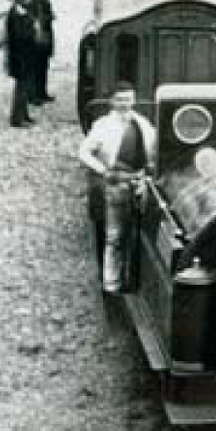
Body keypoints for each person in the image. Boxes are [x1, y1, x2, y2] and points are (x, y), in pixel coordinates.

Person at [77, 82, 158, 294]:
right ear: (112, 101)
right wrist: (102, 170)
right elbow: (84, 152)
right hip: (115, 185)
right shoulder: (103, 125)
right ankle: (111, 284)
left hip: (139, 183)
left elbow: (153, 148)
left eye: (129, 99)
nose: (125, 104)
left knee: (140, 235)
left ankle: (134, 282)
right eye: (120, 99)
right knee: (114, 236)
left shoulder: (142, 123)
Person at [5, 0, 41, 127]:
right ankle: (17, 118)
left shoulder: (22, 13)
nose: (29, 1)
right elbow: (19, 36)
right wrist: (33, 29)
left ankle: (23, 115)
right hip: (20, 58)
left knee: (25, 87)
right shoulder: (15, 15)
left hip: (26, 56)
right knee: (21, 87)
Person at [27, 0, 56, 103]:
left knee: (43, 66)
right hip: (36, 37)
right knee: (35, 68)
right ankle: (33, 95)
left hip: (45, 35)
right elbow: (33, 17)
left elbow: (47, 13)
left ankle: (42, 93)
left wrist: (49, 16)